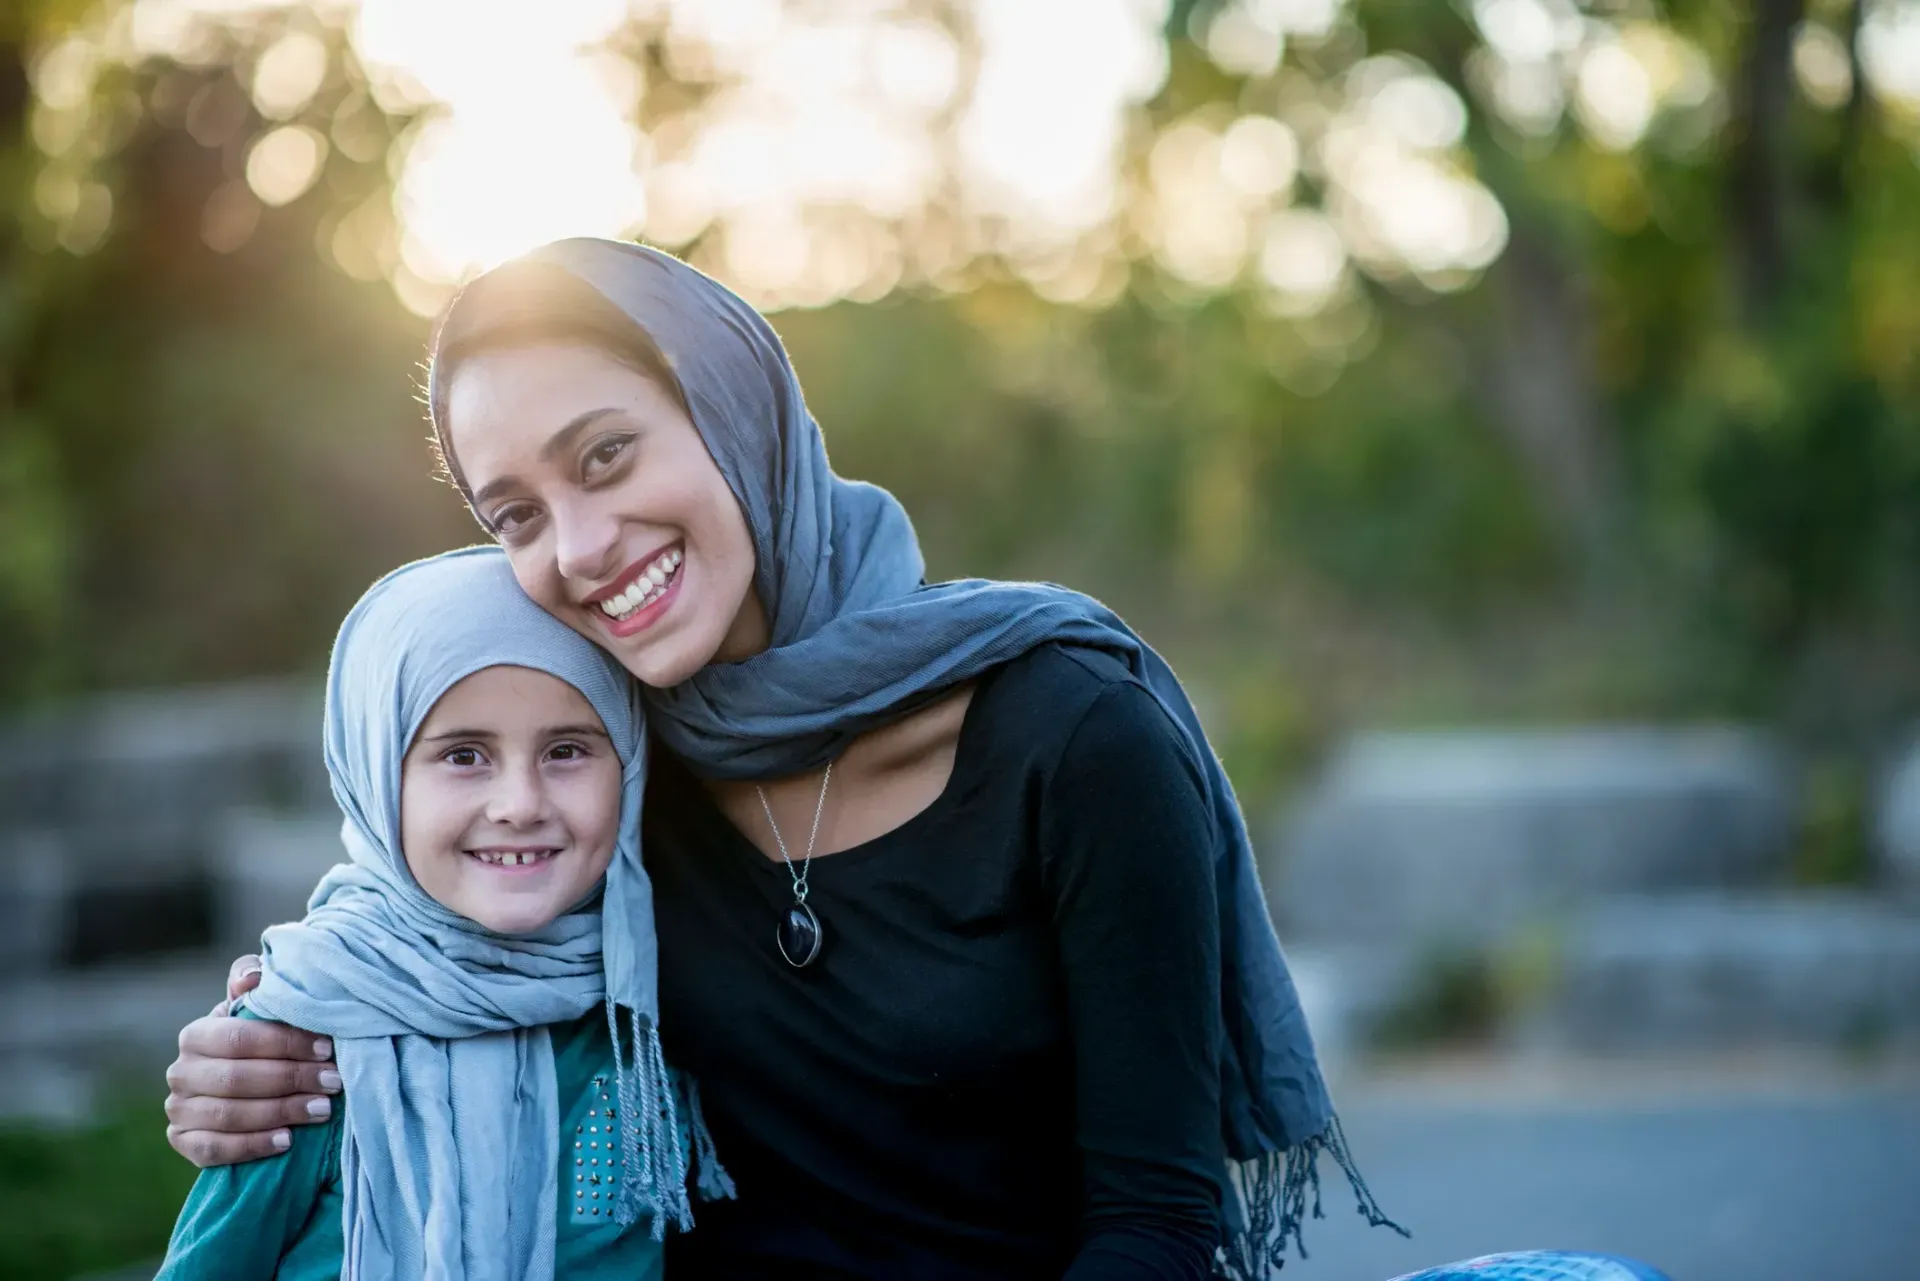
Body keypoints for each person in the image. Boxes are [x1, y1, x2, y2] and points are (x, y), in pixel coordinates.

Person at [160, 239, 1670, 1281]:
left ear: (733, 411)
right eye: (515, 513)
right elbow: (402, 935)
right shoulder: (605, 771)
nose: (581, 546)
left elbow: (1156, 1221)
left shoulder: (1069, 728)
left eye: (607, 456)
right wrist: (252, 1057)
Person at [154, 547, 724, 1281]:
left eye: (567, 749)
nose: (520, 803)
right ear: (376, 771)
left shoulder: (647, 1003)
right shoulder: (307, 1034)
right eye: (463, 755)